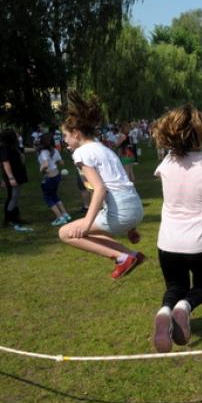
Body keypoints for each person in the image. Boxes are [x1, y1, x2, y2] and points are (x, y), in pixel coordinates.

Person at [150, 104, 202, 352]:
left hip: (168, 241)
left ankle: (165, 311)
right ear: (200, 132)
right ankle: (184, 307)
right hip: (199, 242)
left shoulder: (166, 163)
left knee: (175, 286)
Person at [58, 91, 144, 279]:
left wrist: (86, 223)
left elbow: (99, 189)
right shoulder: (104, 150)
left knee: (66, 233)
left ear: (76, 133)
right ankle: (132, 255)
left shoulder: (81, 153)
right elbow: (122, 183)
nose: (64, 140)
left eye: (65, 135)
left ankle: (122, 257)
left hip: (121, 211)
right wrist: (131, 227)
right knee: (87, 232)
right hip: (135, 208)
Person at [0, 129, 31, 231]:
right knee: (13, 197)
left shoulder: (13, 146)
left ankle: (16, 218)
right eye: (15, 134)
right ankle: (9, 219)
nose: (17, 135)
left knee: (15, 197)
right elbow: (5, 163)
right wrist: (10, 178)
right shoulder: (4, 148)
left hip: (18, 173)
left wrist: (38, 148)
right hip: (13, 176)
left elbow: (23, 150)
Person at [37, 133, 70, 226]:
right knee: (54, 195)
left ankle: (60, 217)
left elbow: (46, 164)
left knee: (48, 197)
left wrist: (41, 169)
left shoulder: (44, 152)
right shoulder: (55, 150)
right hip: (57, 175)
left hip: (49, 177)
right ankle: (65, 214)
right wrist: (55, 160)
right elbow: (61, 162)